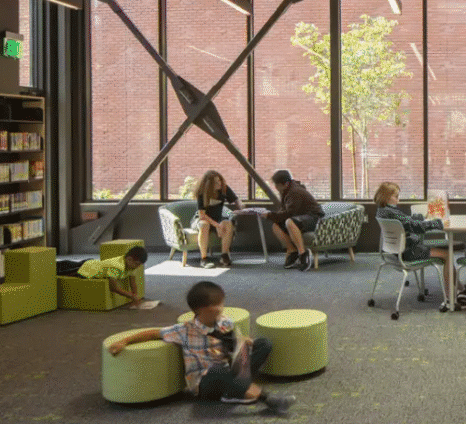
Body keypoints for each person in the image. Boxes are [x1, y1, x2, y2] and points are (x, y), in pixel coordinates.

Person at [107, 281, 295, 412]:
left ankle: (235, 390)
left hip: (228, 369)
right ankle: (267, 398)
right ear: (202, 310)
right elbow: (154, 332)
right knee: (217, 371)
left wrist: (245, 341)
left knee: (263, 344)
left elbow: (235, 341)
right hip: (206, 383)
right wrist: (124, 341)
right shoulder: (184, 331)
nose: (222, 308)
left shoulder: (224, 322)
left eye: (222, 303)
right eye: (217, 305)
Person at [373, 181, 466, 308]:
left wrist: (422, 217)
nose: (398, 199)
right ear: (386, 197)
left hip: (395, 252)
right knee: (447, 255)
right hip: (408, 252)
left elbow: (408, 221)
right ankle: (450, 298)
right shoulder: (392, 213)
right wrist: (438, 224)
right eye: (396, 196)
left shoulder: (382, 211)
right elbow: (413, 226)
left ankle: (460, 289)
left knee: (443, 250)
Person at [262, 169, 323, 272]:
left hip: (313, 218)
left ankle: (302, 254)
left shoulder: (295, 192)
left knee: (289, 222)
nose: (275, 187)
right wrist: (272, 216)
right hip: (300, 217)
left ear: (285, 183)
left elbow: (288, 214)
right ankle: (292, 250)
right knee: (275, 226)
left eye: (277, 185)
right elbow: (284, 211)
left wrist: (269, 215)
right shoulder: (286, 191)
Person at [57, 245, 148, 307]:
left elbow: (133, 282)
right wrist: (131, 296)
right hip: (86, 270)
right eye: (137, 264)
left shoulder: (131, 266)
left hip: (93, 264)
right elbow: (113, 288)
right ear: (129, 259)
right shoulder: (116, 267)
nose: (138, 267)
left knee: (67, 264)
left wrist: (135, 295)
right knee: (60, 269)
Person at [194, 170, 239, 268]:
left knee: (228, 223)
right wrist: (217, 225)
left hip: (217, 219)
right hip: (201, 220)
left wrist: (241, 206)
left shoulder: (224, 189)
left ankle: (224, 256)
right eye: (216, 182)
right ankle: (204, 259)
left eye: (220, 181)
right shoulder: (202, 193)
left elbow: (235, 200)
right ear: (209, 184)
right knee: (204, 225)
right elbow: (202, 215)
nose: (219, 183)